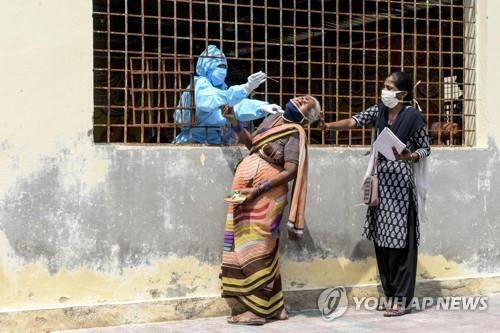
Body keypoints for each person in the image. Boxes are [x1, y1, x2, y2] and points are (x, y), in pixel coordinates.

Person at [323, 71, 431, 316]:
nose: (384, 91)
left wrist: (409, 156)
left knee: (401, 245)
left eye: (389, 87)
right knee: (383, 244)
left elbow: (426, 149)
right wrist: (328, 125)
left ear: (402, 93)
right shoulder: (380, 111)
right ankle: (390, 294)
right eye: (384, 86)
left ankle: (402, 300)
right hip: (381, 186)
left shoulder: (414, 117)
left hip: (402, 189)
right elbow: (354, 121)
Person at [220, 96, 322, 325]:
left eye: (307, 103)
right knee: (249, 244)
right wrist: (234, 122)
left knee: (259, 246)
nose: (302, 99)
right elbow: (252, 145)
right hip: (246, 193)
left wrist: (259, 189)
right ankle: (276, 308)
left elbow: (291, 170)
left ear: (307, 117)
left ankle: (256, 312)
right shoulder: (272, 119)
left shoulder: (295, 133)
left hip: (266, 196)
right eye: (302, 97)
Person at [174, 45, 279, 144]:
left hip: (213, 141)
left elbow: (235, 106)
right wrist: (246, 88)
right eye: (218, 66)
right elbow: (211, 100)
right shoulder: (199, 84)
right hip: (190, 141)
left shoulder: (221, 88)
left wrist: (261, 107)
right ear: (206, 66)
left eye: (224, 67)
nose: (222, 71)